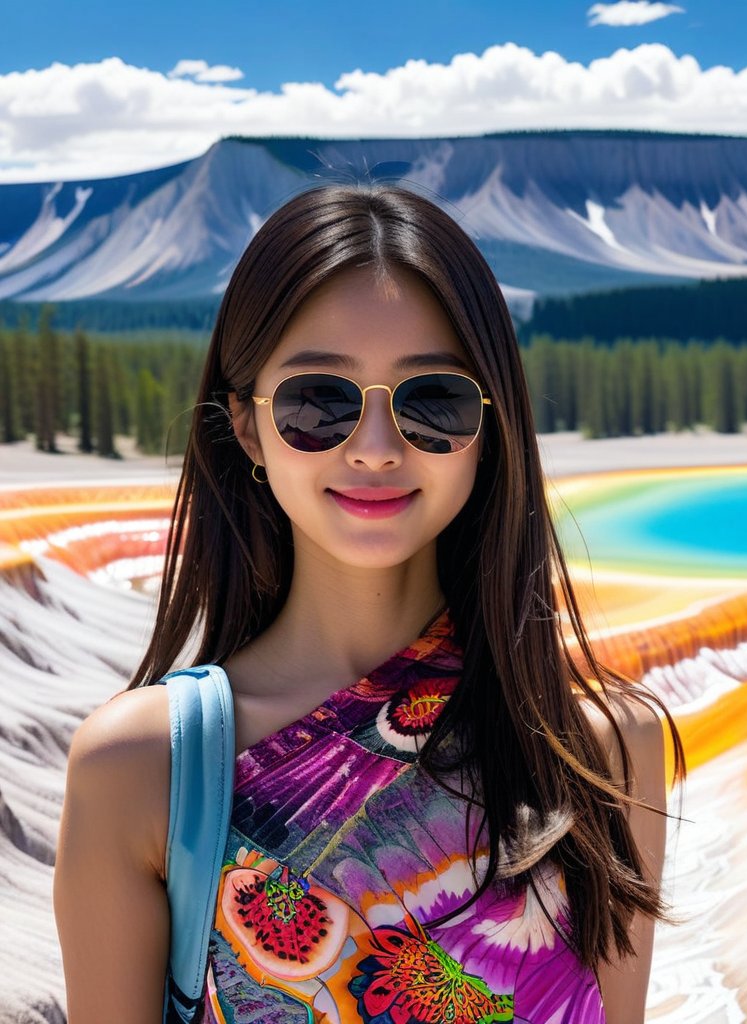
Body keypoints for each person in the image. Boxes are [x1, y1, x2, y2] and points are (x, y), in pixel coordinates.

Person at [53, 184, 684, 1024]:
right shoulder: (140, 772)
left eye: (433, 401)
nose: (377, 449)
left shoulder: (604, 754)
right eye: (320, 401)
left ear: (487, 429)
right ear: (246, 425)